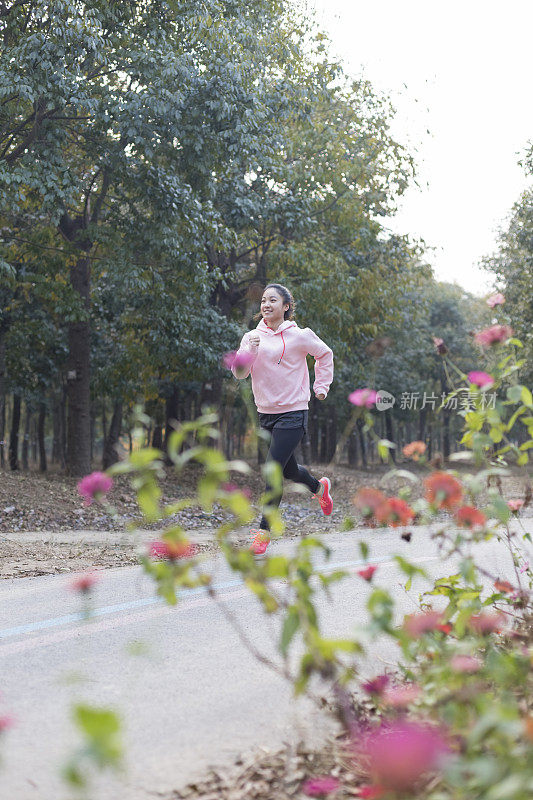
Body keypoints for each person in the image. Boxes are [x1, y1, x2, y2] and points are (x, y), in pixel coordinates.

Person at [231, 283, 334, 554]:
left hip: (294, 412)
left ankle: (263, 532)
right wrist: (249, 351)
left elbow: (325, 354)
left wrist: (321, 387)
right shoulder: (251, 337)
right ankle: (319, 488)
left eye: (273, 300)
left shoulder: (300, 336)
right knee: (288, 471)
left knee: (273, 471)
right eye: (263, 300)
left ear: (286, 306)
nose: (266, 305)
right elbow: (239, 373)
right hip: (266, 414)